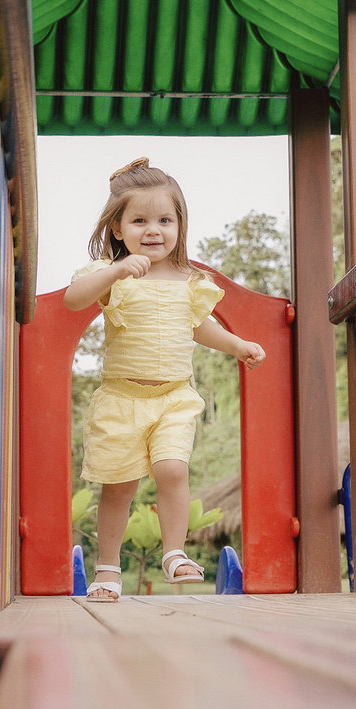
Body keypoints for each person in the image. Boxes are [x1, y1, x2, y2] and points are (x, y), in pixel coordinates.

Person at [64, 157, 266, 602]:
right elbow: (74, 300)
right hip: (121, 398)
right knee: (119, 488)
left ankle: (175, 552)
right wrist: (115, 270)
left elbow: (200, 326)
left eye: (164, 220)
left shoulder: (189, 281)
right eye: (139, 220)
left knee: (172, 469)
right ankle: (107, 570)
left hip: (174, 397)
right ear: (118, 229)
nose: (153, 230)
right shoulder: (112, 274)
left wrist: (238, 345)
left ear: (179, 225)